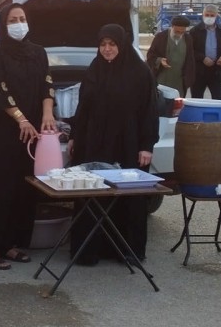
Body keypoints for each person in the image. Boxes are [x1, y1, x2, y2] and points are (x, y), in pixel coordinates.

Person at [0, 2, 56, 270]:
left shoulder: (38, 52)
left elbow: (47, 84)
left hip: (29, 135)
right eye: (13, 20)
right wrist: (21, 119)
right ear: (4, 25)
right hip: (0, 133)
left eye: (22, 18)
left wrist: (47, 114)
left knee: (21, 189)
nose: (19, 24)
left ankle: (10, 243)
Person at [67, 24, 159, 266]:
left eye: (112, 44)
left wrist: (146, 145)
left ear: (122, 45)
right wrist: (75, 135)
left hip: (127, 143)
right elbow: (83, 107)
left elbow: (149, 111)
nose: (107, 49)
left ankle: (127, 250)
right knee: (93, 192)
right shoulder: (94, 69)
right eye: (103, 44)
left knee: (127, 196)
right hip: (93, 143)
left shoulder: (140, 72)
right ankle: (89, 250)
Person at [146, 15, 195, 96]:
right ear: (172, 26)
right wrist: (159, 60)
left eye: (182, 32)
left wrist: (188, 79)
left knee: (178, 101)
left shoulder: (188, 39)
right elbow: (150, 55)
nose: (179, 34)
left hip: (179, 81)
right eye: (177, 31)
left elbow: (190, 60)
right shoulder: (160, 37)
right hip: (162, 80)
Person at [189, 4, 221, 99]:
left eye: (212, 15)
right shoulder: (195, 31)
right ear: (203, 15)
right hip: (199, 71)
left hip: (216, 70)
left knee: (217, 99)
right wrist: (202, 58)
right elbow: (190, 50)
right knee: (197, 98)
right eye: (207, 15)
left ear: (216, 16)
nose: (209, 17)